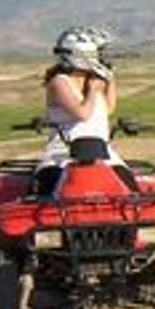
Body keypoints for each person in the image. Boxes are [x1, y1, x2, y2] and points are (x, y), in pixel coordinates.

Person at [38, 25, 120, 194]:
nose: (101, 57)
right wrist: (92, 90)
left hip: (102, 152)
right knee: (49, 197)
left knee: (128, 189)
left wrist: (110, 79)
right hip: (64, 155)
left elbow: (108, 109)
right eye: (98, 53)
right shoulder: (60, 82)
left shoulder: (93, 80)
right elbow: (82, 114)